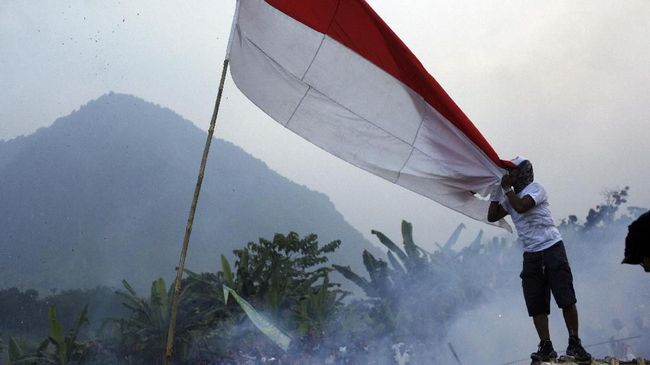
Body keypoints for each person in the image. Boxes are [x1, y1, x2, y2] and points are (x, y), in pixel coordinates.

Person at [487, 157, 591, 362]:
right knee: (536, 302)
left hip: (552, 248)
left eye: (513, 172)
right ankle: (546, 345)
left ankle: (574, 342)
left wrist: (507, 190)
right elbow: (492, 216)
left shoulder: (536, 189)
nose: (510, 176)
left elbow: (522, 207)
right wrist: (496, 190)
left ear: (524, 172)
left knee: (565, 298)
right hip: (531, 254)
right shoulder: (510, 197)